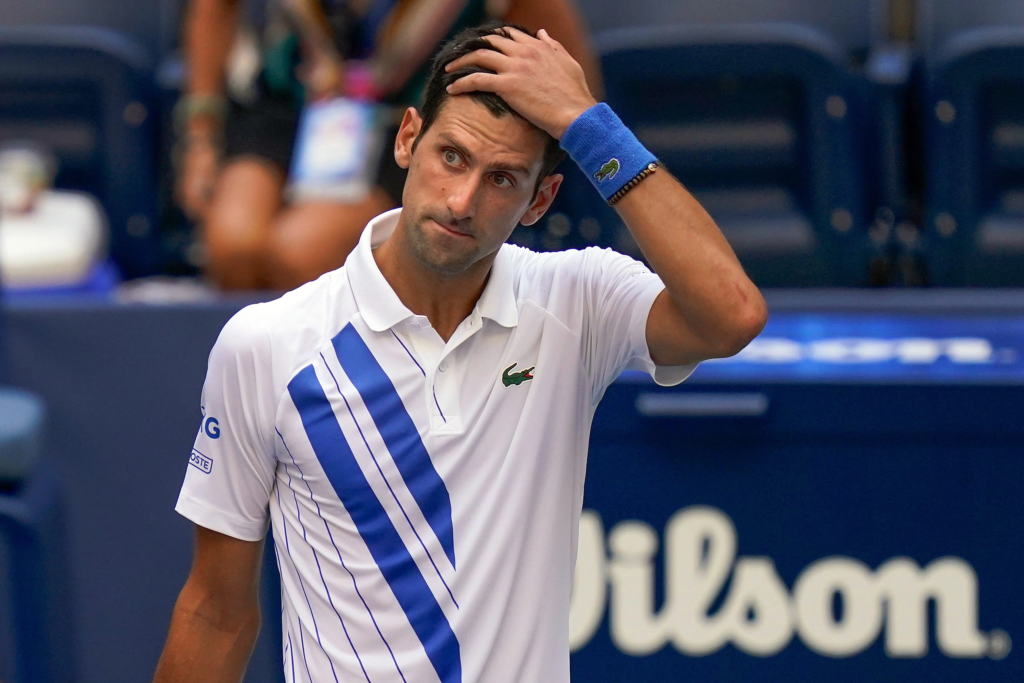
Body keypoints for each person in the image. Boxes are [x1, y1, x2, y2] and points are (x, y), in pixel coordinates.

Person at [153, 22, 767, 683]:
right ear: (408, 137)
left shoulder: (577, 302)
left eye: (502, 179)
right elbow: (217, 612)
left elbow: (730, 314)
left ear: (541, 199)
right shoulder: (267, 345)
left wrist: (592, 127)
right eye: (452, 156)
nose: (462, 200)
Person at [176, 0, 603, 290]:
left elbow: (567, 75)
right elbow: (215, 8)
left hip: (413, 118)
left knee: (299, 253)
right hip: (288, 103)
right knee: (232, 245)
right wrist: (201, 137)